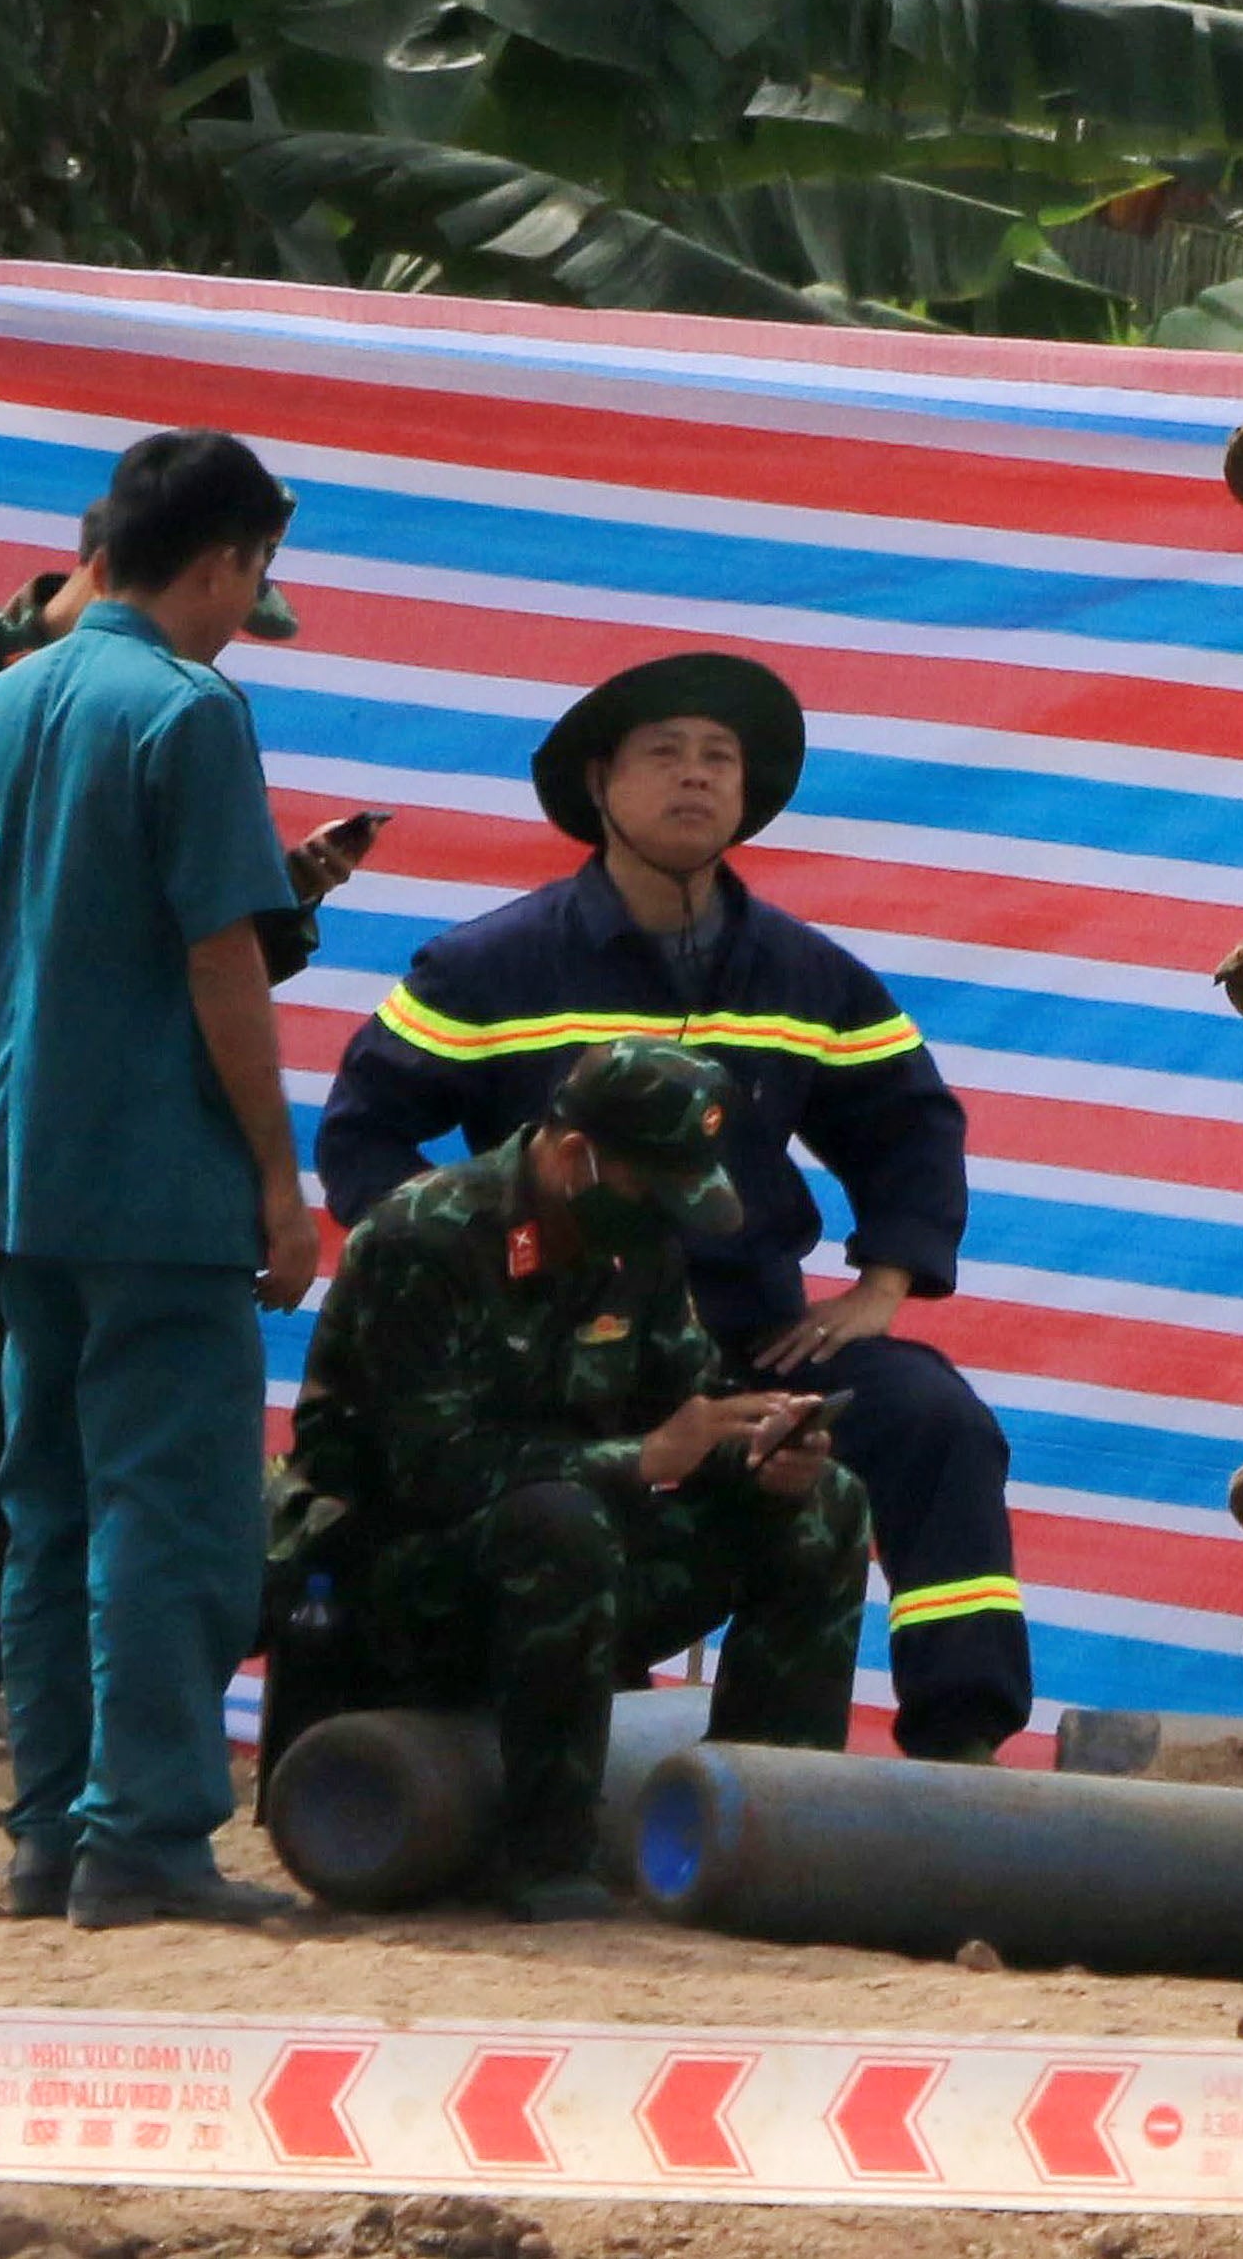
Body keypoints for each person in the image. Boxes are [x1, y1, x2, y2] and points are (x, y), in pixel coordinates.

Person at [311, 651, 1027, 1759]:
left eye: (719, 759)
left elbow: (910, 1122)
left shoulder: (808, 975)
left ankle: (962, 1748)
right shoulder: (486, 967)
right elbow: (361, 1131)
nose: (695, 778)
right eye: (664, 754)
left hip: (749, 1338)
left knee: (930, 1419)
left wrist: (881, 1286)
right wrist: (472, 1263)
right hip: (549, 1360)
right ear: (599, 785)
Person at [0, 540, 370, 1936]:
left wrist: (241, 926)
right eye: (232, 605)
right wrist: (97, 1023)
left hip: (52, 1146)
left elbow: (165, 940)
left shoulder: (125, 699)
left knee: (70, 1497)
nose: (228, 641)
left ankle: (59, 1831)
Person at [263, 1036, 873, 1918]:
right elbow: (428, 1470)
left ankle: (765, 1832)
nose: (660, 1217)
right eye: (646, 1188)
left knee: (825, 1503)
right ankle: (546, 1855)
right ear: (576, 1155)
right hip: (400, 1582)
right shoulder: (425, 1237)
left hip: (569, 1569)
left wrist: (759, 1448)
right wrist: (638, 1460)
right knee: (560, 1520)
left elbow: (685, 1401)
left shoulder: (636, 1248)